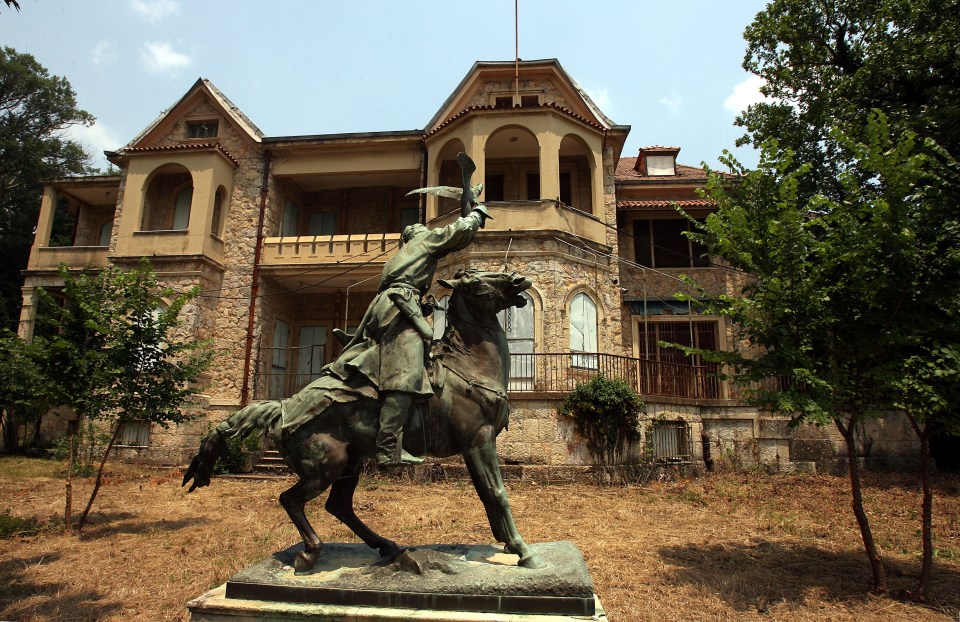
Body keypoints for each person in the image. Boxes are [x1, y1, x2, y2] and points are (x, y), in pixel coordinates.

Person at [327, 205, 490, 466]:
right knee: (406, 373)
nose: (426, 230)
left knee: (398, 363)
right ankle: (388, 446)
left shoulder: (403, 256)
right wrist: (476, 214)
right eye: (422, 229)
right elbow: (458, 232)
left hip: (393, 306)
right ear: (416, 234)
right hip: (398, 308)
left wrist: (421, 306)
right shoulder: (422, 240)